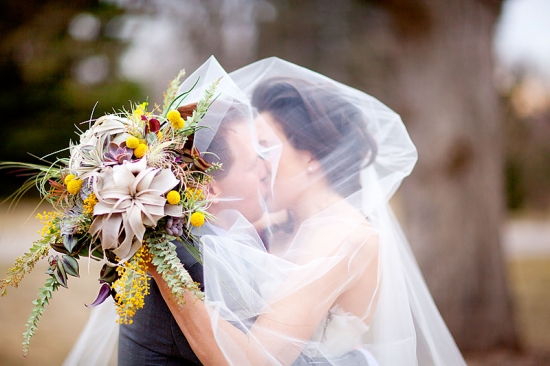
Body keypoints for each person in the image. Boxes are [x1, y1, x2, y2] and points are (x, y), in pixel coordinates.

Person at [149, 57, 467, 365]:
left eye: (265, 147)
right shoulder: (274, 223)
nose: (258, 164)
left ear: (310, 158)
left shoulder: (344, 238)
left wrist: (159, 262)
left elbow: (257, 360)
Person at [63, 57, 273, 365]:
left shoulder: (197, 237)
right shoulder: (189, 264)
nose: (268, 171)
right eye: (255, 164)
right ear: (209, 188)